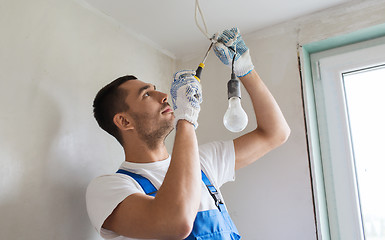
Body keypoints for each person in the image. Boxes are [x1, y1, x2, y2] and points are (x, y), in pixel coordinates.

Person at [86, 27, 290, 240]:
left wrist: (245, 69)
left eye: (155, 89)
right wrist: (186, 118)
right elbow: (176, 223)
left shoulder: (201, 162)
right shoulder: (110, 188)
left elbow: (275, 133)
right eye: (146, 94)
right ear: (124, 121)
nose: (164, 96)